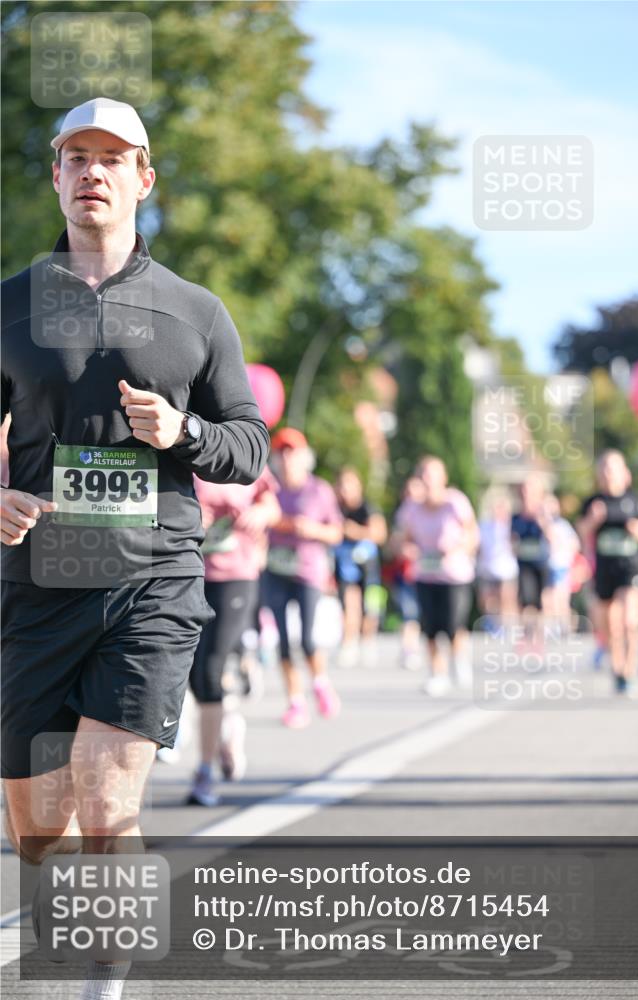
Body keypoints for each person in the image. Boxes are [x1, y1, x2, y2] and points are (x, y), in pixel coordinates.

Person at [0, 98, 268, 997]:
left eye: (113, 158)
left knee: (110, 804)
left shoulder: (194, 311)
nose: (93, 173)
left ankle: (105, 986)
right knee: (38, 831)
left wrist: (183, 432)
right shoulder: (10, 304)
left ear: (144, 178)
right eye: (76, 157)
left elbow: (248, 445)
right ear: (56, 176)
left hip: (151, 583)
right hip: (36, 584)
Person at [186, 468, 280, 805]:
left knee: (211, 668)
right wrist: (191, 517)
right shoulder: (177, 444)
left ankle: (204, 772)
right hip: (189, 573)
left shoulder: (238, 442)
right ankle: (226, 726)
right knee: (192, 675)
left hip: (236, 576)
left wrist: (258, 514)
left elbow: (271, 505)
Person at [264, 428, 343, 727]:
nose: (286, 457)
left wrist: (311, 529)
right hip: (276, 570)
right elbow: (262, 519)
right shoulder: (270, 488)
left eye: (292, 451)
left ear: (304, 456)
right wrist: (284, 525)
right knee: (283, 641)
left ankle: (320, 682)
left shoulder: (319, 490)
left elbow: (336, 532)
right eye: (281, 451)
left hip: (308, 572)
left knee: (308, 639)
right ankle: (295, 702)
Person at [395, 456, 479, 696]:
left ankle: (459, 660)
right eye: (424, 476)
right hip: (425, 573)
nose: (428, 481)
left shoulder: (455, 502)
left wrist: (457, 549)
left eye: (432, 476)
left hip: (454, 575)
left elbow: (472, 533)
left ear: (443, 478)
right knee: (430, 627)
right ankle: (437, 672)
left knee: (453, 624)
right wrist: (406, 549)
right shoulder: (412, 508)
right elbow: (402, 539)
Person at [577, 450, 638, 694]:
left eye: (613, 469)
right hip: (604, 570)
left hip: (630, 568)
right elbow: (580, 534)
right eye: (604, 469)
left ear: (625, 474)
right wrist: (593, 520)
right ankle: (617, 668)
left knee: (629, 621)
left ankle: (629, 672)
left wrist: (637, 529)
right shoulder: (593, 503)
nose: (608, 474)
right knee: (611, 625)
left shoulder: (634, 501)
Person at [333, 467, 387, 667]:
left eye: (350, 484)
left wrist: (354, 531)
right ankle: (348, 642)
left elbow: (379, 534)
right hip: (344, 563)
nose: (345, 489)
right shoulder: (336, 508)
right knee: (347, 603)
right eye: (342, 485)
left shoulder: (368, 508)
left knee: (370, 605)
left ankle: (368, 641)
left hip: (368, 565)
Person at [387, 475, 425, 670]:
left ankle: (414, 647)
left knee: (418, 612)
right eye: (408, 492)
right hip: (405, 571)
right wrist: (402, 548)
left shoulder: (428, 512)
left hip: (426, 573)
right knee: (408, 610)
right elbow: (394, 542)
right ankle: (408, 648)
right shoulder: (402, 514)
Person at [511, 476, 552, 648]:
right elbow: (511, 541)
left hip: (541, 563)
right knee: (526, 600)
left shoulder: (543, 514)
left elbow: (552, 538)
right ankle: (527, 634)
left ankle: (539, 635)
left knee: (541, 601)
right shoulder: (516, 517)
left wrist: (542, 521)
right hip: (523, 564)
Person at [476, 488, 518, 632]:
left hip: (506, 569)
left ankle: (508, 627)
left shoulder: (512, 526)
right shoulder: (484, 526)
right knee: (487, 600)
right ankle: (492, 624)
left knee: (507, 598)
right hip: (488, 568)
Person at [543, 493, 580, 635]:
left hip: (561, 565)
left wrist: (566, 555)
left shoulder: (562, 525)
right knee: (548, 597)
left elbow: (574, 544)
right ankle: (551, 626)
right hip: (547, 565)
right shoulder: (542, 524)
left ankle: (564, 626)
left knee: (560, 597)